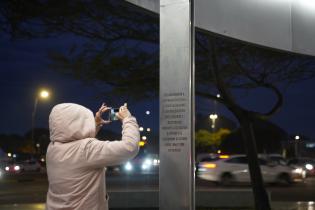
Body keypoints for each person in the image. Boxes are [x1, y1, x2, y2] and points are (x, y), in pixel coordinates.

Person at [46, 103, 140, 210]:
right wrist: (128, 119)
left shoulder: (52, 148)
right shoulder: (87, 149)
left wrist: (95, 124)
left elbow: (75, 140)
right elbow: (129, 148)